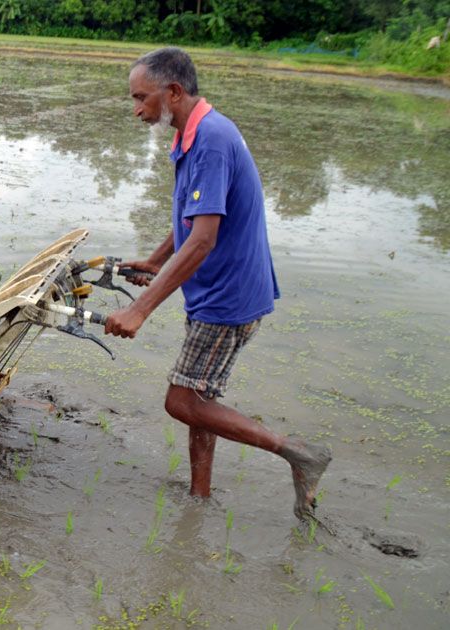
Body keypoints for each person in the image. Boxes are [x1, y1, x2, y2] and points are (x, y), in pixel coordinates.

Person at [103, 47, 331, 520]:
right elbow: (193, 215)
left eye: (142, 98)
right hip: (220, 291)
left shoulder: (209, 139)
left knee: (181, 400)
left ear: (174, 92)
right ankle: (200, 496)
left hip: (226, 299)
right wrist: (154, 259)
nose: (137, 109)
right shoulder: (195, 132)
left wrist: (140, 308)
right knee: (198, 398)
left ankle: (297, 452)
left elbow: (203, 240)